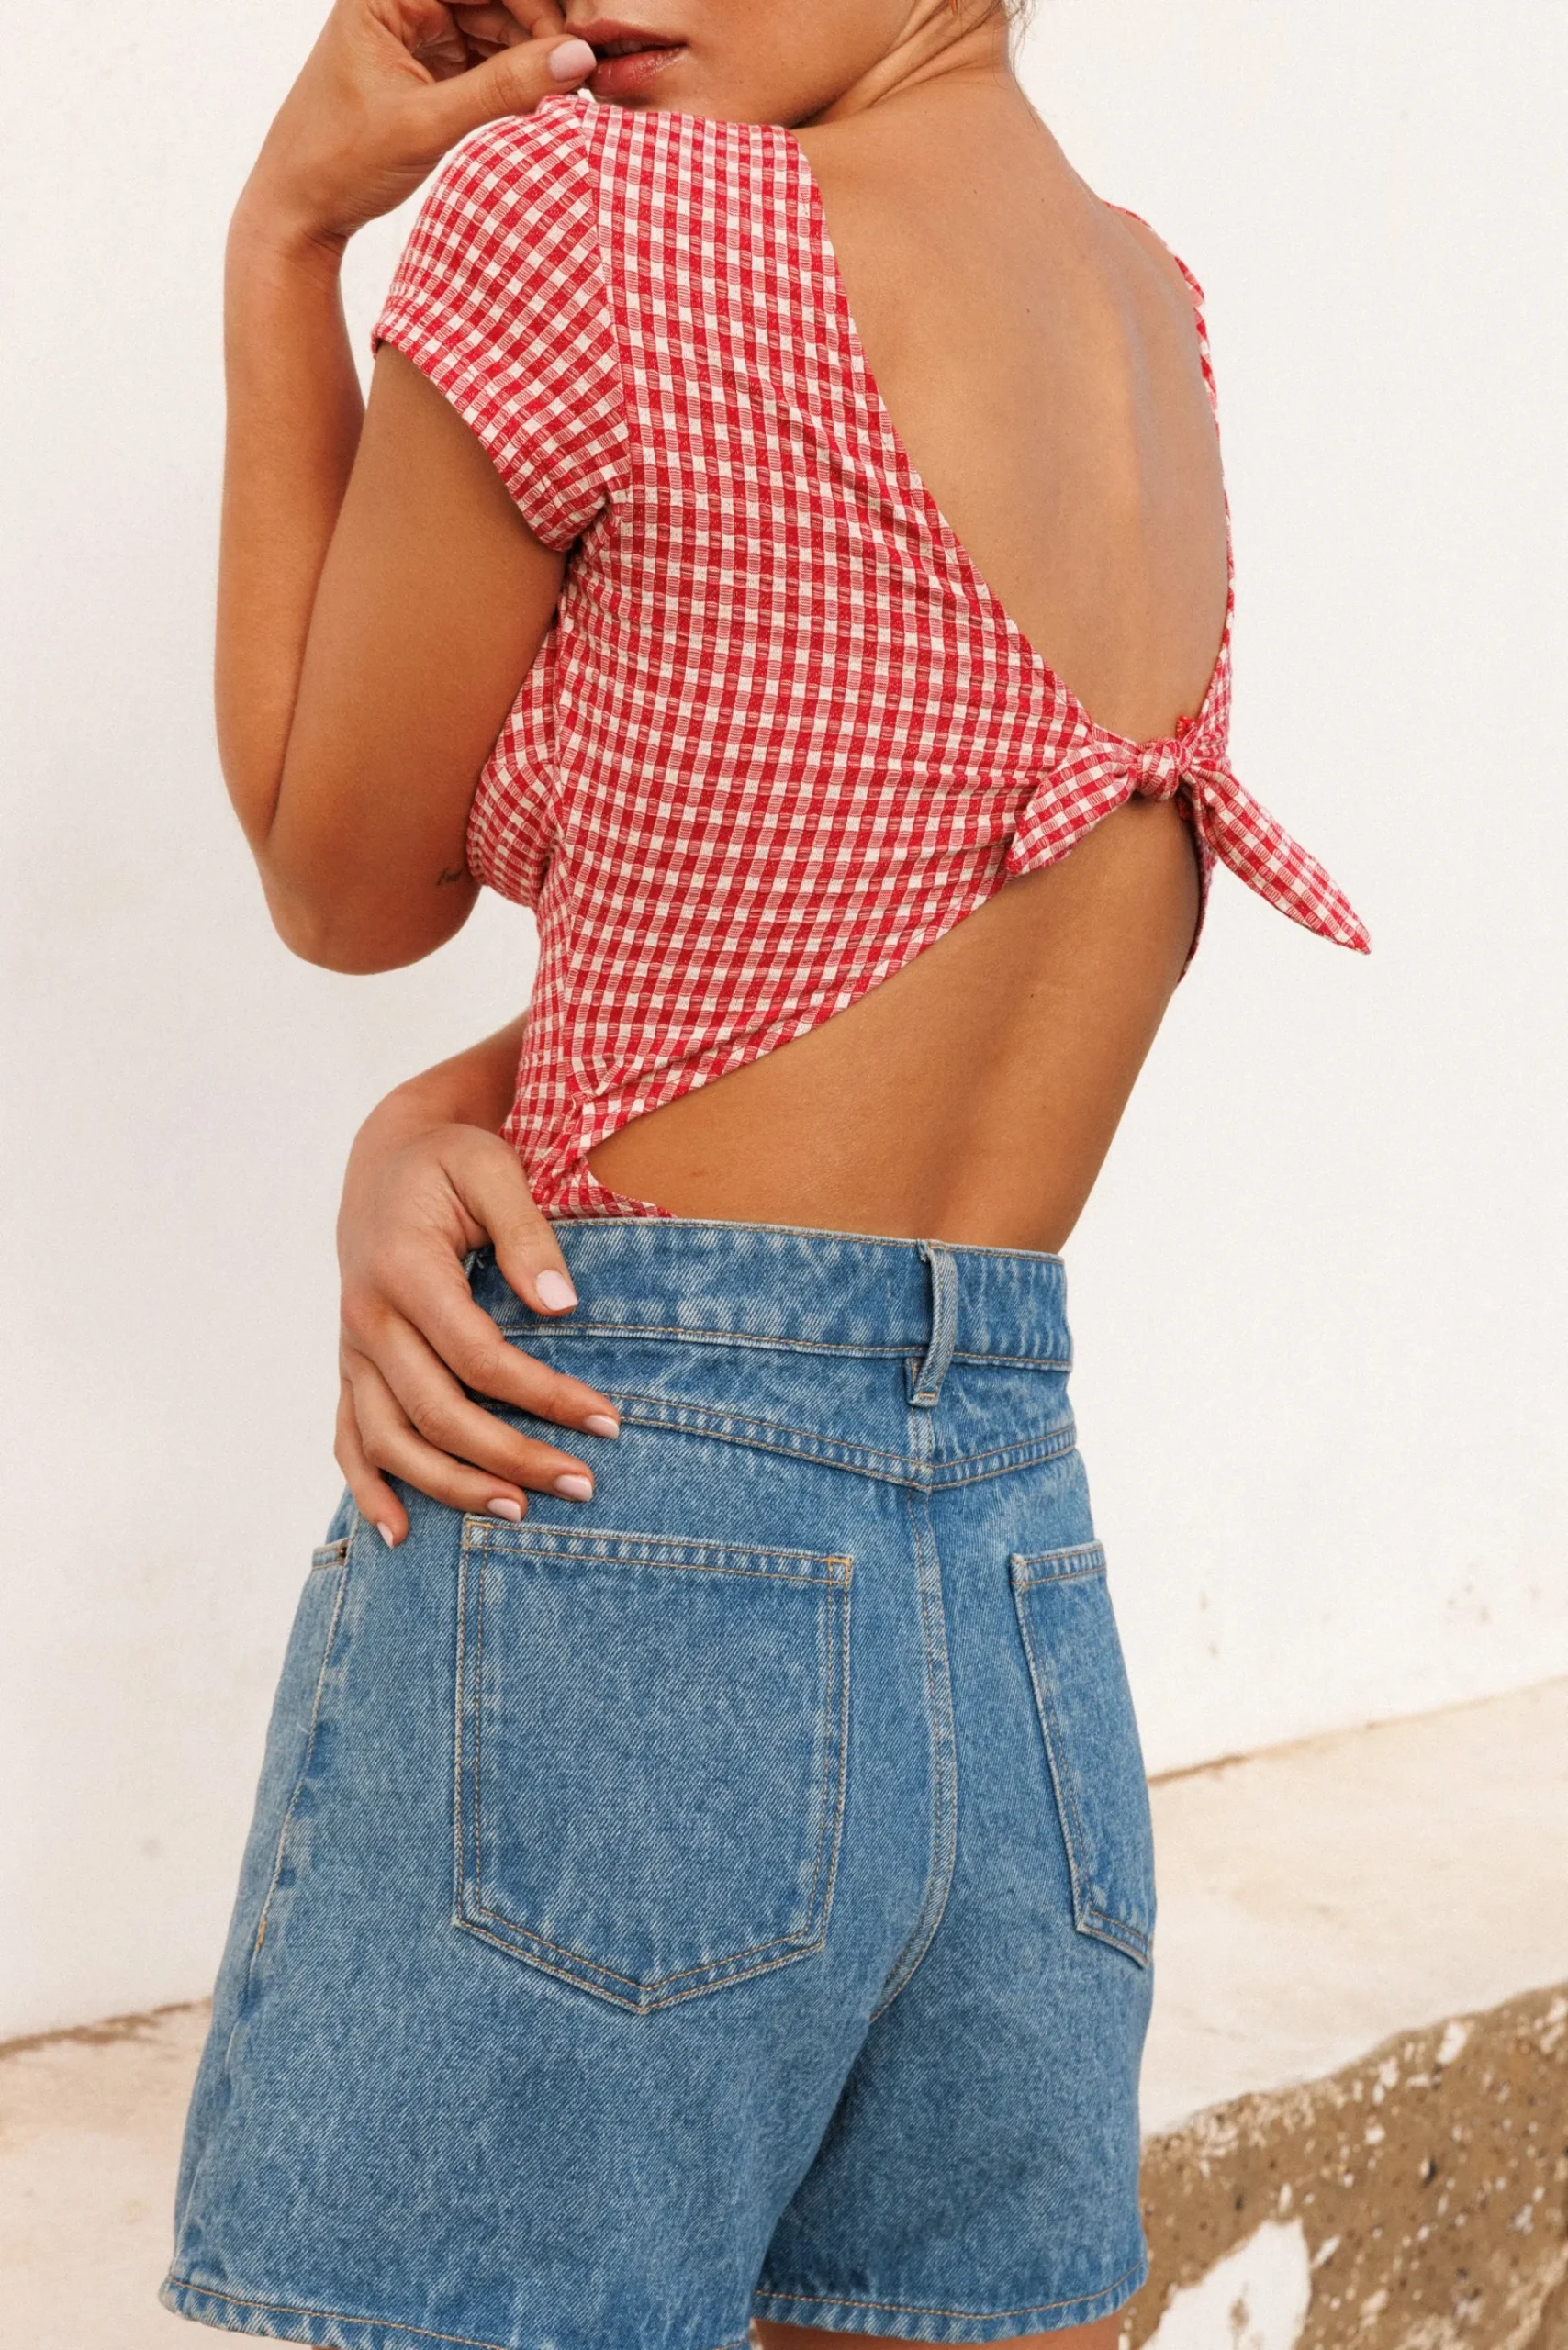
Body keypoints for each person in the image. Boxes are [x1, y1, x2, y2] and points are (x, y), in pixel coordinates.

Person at [162, 1, 1368, 2344]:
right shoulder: (1147, 315)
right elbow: (889, 920)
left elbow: (342, 878)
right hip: (1014, 1588)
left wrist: (286, 231)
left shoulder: (593, 215)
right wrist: (440, 1113)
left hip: (618, 1519)